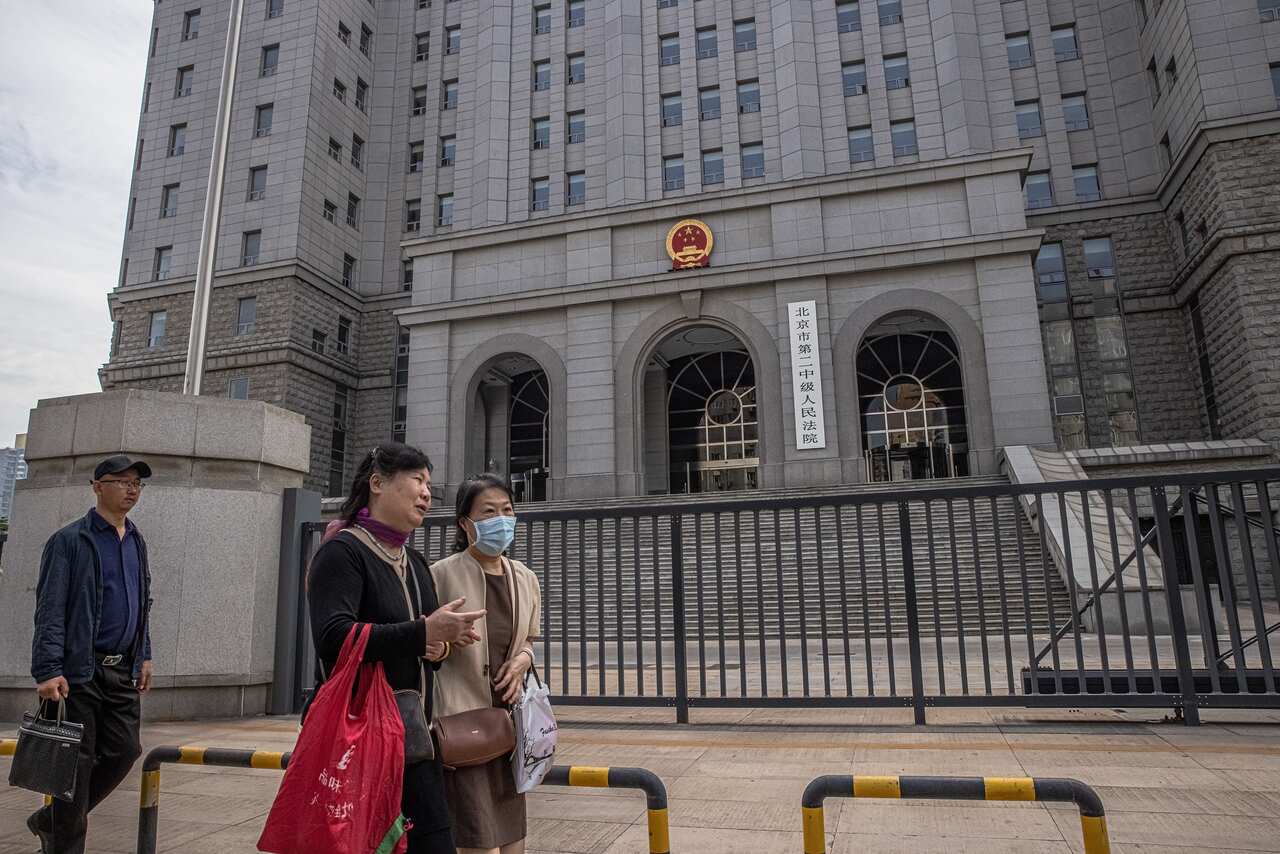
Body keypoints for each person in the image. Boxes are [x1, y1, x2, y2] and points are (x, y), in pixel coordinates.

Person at [307, 443, 486, 854]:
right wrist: (423, 632)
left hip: (414, 744)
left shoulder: (416, 562)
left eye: (428, 482)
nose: (427, 492)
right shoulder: (343, 552)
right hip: (359, 744)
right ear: (377, 484)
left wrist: (441, 645)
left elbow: (423, 646)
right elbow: (333, 639)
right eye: (416, 480)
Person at [27, 454, 156, 854]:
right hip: (79, 672)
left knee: (125, 751)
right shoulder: (69, 541)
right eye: (121, 481)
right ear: (97, 486)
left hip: (122, 672)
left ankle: (53, 820)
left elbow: (141, 603)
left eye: (137, 482)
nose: (131, 489)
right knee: (76, 767)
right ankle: (64, 840)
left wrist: (144, 655)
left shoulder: (135, 539)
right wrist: (48, 669)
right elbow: (50, 608)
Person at [432, 474, 541, 854]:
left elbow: (529, 637)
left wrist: (523, 659)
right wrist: (443, 642)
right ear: (465, 523)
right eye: (489, 512)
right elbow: (425, 643)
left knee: (514, 844)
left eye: (507, 510)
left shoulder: (525, 577)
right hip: (464, 725)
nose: (501, 520)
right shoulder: (440, 574)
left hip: (510, 728)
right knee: (479, 843)